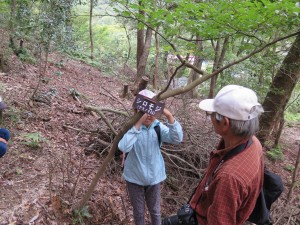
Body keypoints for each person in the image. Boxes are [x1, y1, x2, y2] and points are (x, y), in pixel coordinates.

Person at [187, 85, 265, 225]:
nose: (210, 118)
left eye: (211, 114)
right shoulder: (253, 143)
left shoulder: (229, 178)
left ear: (225, 123)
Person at [118, 89, 183, 225]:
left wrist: (169, 116)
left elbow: (177, 138)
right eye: (144, 112)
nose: (148, 116)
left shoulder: (158, 128)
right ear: (137, 111)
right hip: (134, 177)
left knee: (155, 210)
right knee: (139, 212)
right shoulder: (132, 129)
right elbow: (123, 147)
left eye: (152, 112)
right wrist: (137, 125)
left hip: (154, 177)